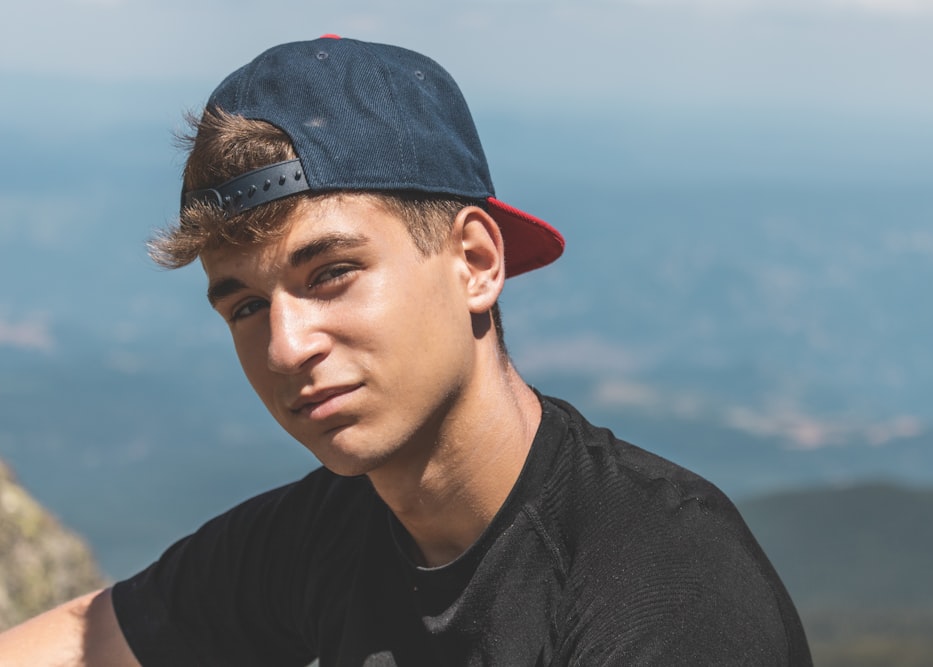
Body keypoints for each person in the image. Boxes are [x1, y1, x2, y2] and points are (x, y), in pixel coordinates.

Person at [0, 35, 812, 665]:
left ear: (476, 263)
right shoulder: (331, 531)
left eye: (333, 273)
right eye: (245, 304)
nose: (285, 345)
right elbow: (83, 640)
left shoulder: (666, 589)